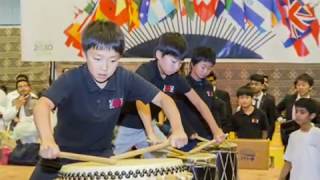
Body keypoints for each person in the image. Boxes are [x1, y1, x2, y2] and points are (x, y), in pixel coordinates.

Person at [30, 21, 188, 180]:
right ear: (84, 54)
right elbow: (42, 105)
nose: (104, 68)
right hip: (59, 155)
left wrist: (178, 129)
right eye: (97, 59)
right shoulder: (71, 79)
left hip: (101, 158)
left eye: (113, 60)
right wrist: (47, 140)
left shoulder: (124, 78)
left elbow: (164, 99)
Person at [115, 33, 225, 154]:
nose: (177, 67)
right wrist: (150, 132)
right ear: (158, 55)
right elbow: (141, 102)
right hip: (124, 127)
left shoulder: (176, 78)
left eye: (180, 63)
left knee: (164, 164)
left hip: (149, 126)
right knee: (103, 165)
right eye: (173, 61)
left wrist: (216, 130)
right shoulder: (146, 71)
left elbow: (199, 103)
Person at [178, 47, 228, 139]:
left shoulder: (208, 86)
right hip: (188, 135)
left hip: (206, 135)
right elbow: (178, 111)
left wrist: (218, 129)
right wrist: (188, 131)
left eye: (209, 68)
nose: (205, 71)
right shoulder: (183, 84)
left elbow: (213, 109)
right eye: (203, 67)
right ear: (192, 64)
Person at [279, 98, 320, 180]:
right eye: (296, 111)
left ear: (312, 115)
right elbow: (288, 162)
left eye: (302, 112)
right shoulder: (293, 136)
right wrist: (281, 177)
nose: (297, 115)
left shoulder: (317, 134)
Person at [277, 73, 320, 146]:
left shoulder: (316, 104)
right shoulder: (289, 99)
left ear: (310, 87)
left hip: (307, 135)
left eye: (303, 85)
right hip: (289, 133)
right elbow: (276, 109)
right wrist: (280, 118)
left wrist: (312, 125)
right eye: (298, 85)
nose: (300, 87)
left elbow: (318, 122)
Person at [249, 74, 277, 139]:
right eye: (252, 84)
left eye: (256, 84)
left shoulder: (268, 100)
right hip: (249, 134)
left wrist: (269, 136)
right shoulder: (247, 99)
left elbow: (271, 121)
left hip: (263, 134)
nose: (253, 86)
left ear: (262, 86)